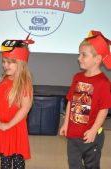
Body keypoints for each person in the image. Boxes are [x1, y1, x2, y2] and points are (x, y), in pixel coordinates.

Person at [59, 30, 111, 169]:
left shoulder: (103, 83)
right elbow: (71, 101)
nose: (79, 58)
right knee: (74, 165)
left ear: (98, 59)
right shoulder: (77, 77)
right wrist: (65, 124)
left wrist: (94, 130)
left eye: (84, 55)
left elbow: (104, 109)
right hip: (73, 135)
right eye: (79, 54)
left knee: (92, 165)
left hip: (91, 136)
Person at [0, 36, 35, 169]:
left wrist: (8, 125)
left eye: (10, 62)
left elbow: (25, 108)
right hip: (0, 126)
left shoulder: (24, 84)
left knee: (18, 159)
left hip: (15, 128)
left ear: (21, 63)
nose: (5, 65)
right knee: (4, 159)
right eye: (3, 61)